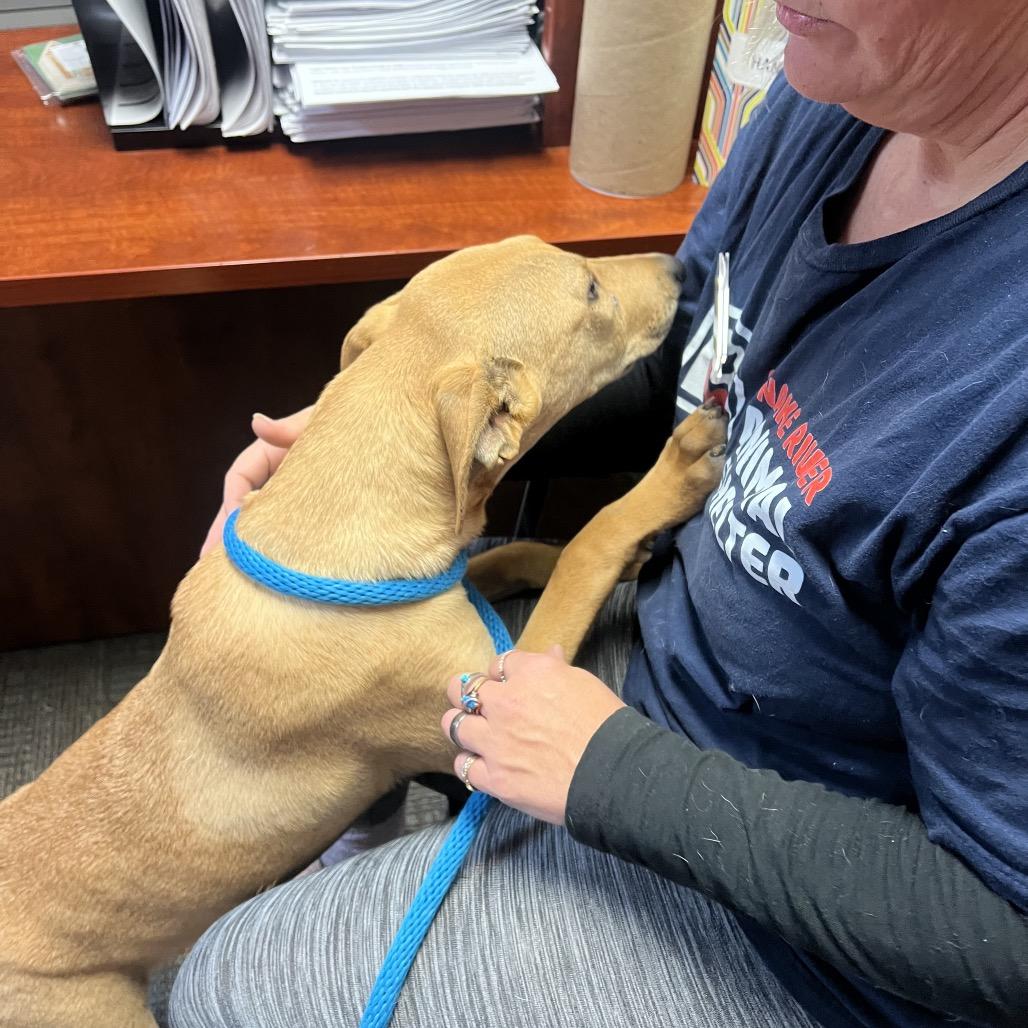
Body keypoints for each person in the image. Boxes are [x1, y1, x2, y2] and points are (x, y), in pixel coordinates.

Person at [171, 3, 1028, 1025]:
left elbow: (999, 932)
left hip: (791, 924)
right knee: (311, 661)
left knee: (225, 983)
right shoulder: (837, 89)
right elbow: (697, 361)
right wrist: (393, 442)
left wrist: (609, 773)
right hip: (656, 663)